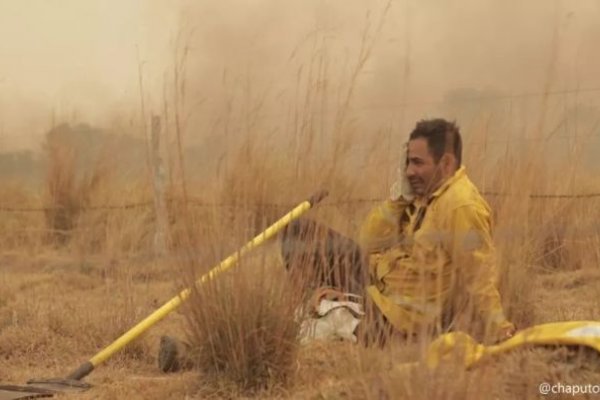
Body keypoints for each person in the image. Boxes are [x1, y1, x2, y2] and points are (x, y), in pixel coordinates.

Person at [358, 118, 515, 344]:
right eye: (408, 163)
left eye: (417, 163)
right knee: (300, 232)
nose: (409, 172)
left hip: (400, 319)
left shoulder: (461, 206)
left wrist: (501, 329)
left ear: (446, 164)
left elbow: (479, 276)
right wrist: (399, 199)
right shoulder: (424, 196)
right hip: (380, 293)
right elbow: (367, 242)